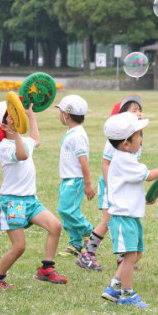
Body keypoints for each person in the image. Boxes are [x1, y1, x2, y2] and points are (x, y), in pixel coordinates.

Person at [0, 101, 67, 289]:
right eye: (11, 115)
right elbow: (22, 155)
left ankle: (46, 268)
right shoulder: (5, 146)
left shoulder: (20, 140)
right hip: (12, 203)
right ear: (3, 124)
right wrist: (14, 133)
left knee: (55, 226)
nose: (16, 116)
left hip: (30, 200)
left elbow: (35, 140)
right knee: (19, 247)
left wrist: (31, 117)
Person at [100, 112, 158, 308]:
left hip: (131, 216)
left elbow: (130, 185)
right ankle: (127, 295)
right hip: (123, 217)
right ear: (126, 143)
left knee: (137, 254)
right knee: (130, 256)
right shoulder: (124, 159)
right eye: (139, 135)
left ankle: (114, 287)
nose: (141, 139)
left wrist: (145, 198)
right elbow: (148, 175)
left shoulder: (124, 157)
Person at [78, 95, 143, 271]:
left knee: (123, 219)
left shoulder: (136, 138)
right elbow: (105, 164)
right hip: (112, 185)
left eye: (139, 110)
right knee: (108, 220)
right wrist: (111, 186)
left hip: (123, 185)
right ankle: (87, 254)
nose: (138, 113)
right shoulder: (115, 141)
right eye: (133, 110)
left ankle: (124, 259)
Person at [55, 95, 95, 258]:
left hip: (76, 179)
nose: (60, 115)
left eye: (61, 112)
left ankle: (91, 232)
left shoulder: (77, 135)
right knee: (67, 212)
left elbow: (83, 161)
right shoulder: (72, 132)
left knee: (66, 210)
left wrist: (87, 184)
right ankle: (76, 243)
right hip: (68, 178)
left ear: (67, 115)